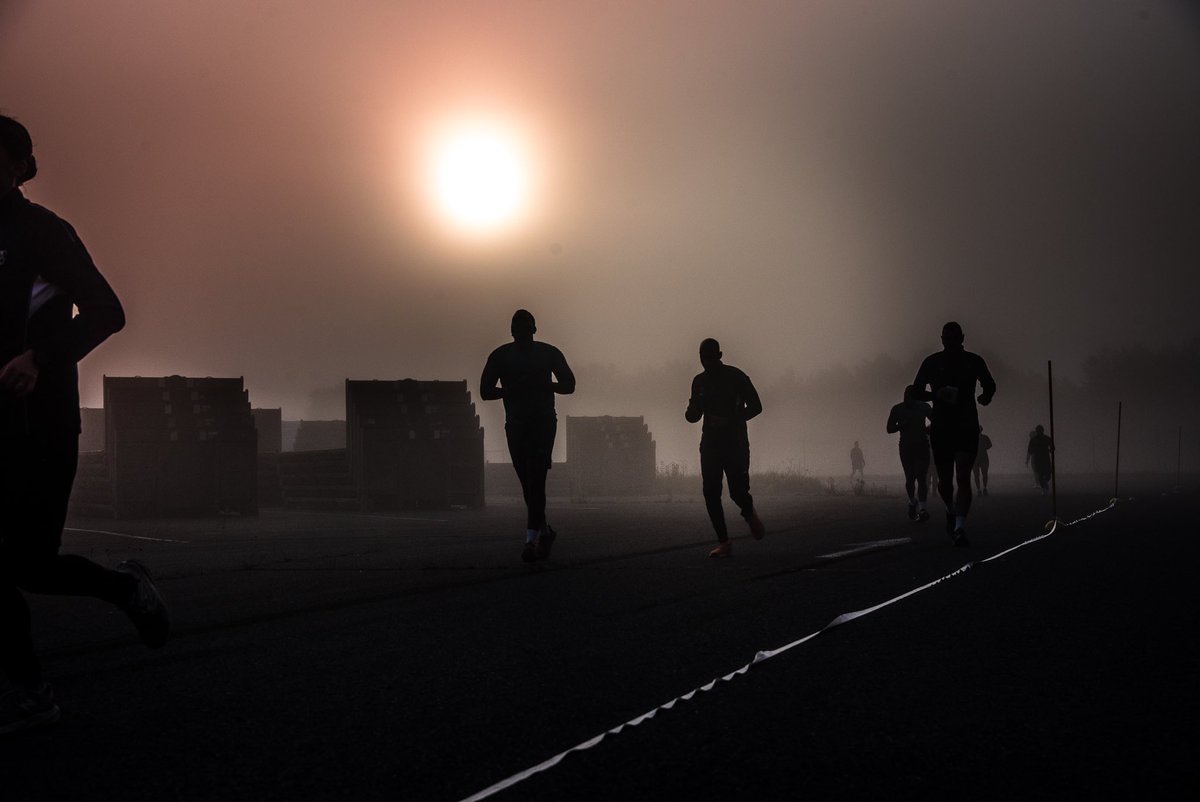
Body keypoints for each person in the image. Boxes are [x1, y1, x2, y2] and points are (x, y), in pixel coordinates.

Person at [0, 115, 170, 736]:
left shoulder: (43, 234)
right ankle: (32, 693)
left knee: (32, 567)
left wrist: (38, 359)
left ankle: (125, 590)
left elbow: (108, 311)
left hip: (38, 429)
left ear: (20, 166)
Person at [480, 309, 575, 562]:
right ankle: (543, 532)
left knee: (536, 479)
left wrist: (546, 385)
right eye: (517, 328)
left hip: (543, 423)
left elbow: (570, 384)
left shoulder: (549, 353)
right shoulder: (500, 356)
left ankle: (530, 540)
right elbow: (485, 391)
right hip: (516, 424)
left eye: (526, 327)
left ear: (534, 329)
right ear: (512, 331)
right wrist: (511, 389)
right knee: (527, 482)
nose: (521, 332)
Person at [912, 321, 996, 547]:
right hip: (941, 427)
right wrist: (936, 394)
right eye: (945, 339)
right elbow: (916, 390)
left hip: (967, 425)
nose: (949, 343)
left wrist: (985, 397)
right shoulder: (931, 362)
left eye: (953, 339)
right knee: (945, 481)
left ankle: (960, 527)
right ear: (941, 339)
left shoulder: (973, 361)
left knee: (963, 476)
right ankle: (950, 509)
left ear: (962, 338)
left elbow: (990, 384)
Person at [685, 338, 765, 557]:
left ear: (720, 356)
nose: (706, 363)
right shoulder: (699, 382)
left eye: (710, 358)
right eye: (703, 358)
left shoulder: (736, 377)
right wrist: (692, 411)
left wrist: (733, 419)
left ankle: (749, 513)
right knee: (710, 492)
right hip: (710, 443)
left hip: (734, 442)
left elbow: (757, 406)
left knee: (737, 491)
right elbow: (693, 415)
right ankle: (724, 542)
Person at [886, 386, 932, 522]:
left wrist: (927, 430)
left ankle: (922, 508)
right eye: (906, 396)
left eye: (911, 396)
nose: (908, 399)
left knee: (921, 477)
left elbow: (937, 420)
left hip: (921, 446)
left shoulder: (924, 407)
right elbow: (889, 428)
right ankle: (912, 502)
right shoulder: (897, 409)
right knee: (910, 479)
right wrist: (901, 425)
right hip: (906, 448)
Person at [1026, 424, 1054, 494]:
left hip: (1039, 459)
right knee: (1046, 474)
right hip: (1044, 458)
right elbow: (1053, 448)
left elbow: (1029, 450)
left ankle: (1044, 487)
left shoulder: (1034, 440)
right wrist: (1050, 450)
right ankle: (1044, 486)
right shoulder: (1046, 438)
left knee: (1041, 474)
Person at [973, 424, 992, 495]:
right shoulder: (985, 437)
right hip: (983, 458)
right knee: (984, 474)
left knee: (977, 475)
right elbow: (990, 445)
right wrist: (985, 448)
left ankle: (979, 489)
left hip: (975, 459)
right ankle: (984, 488)